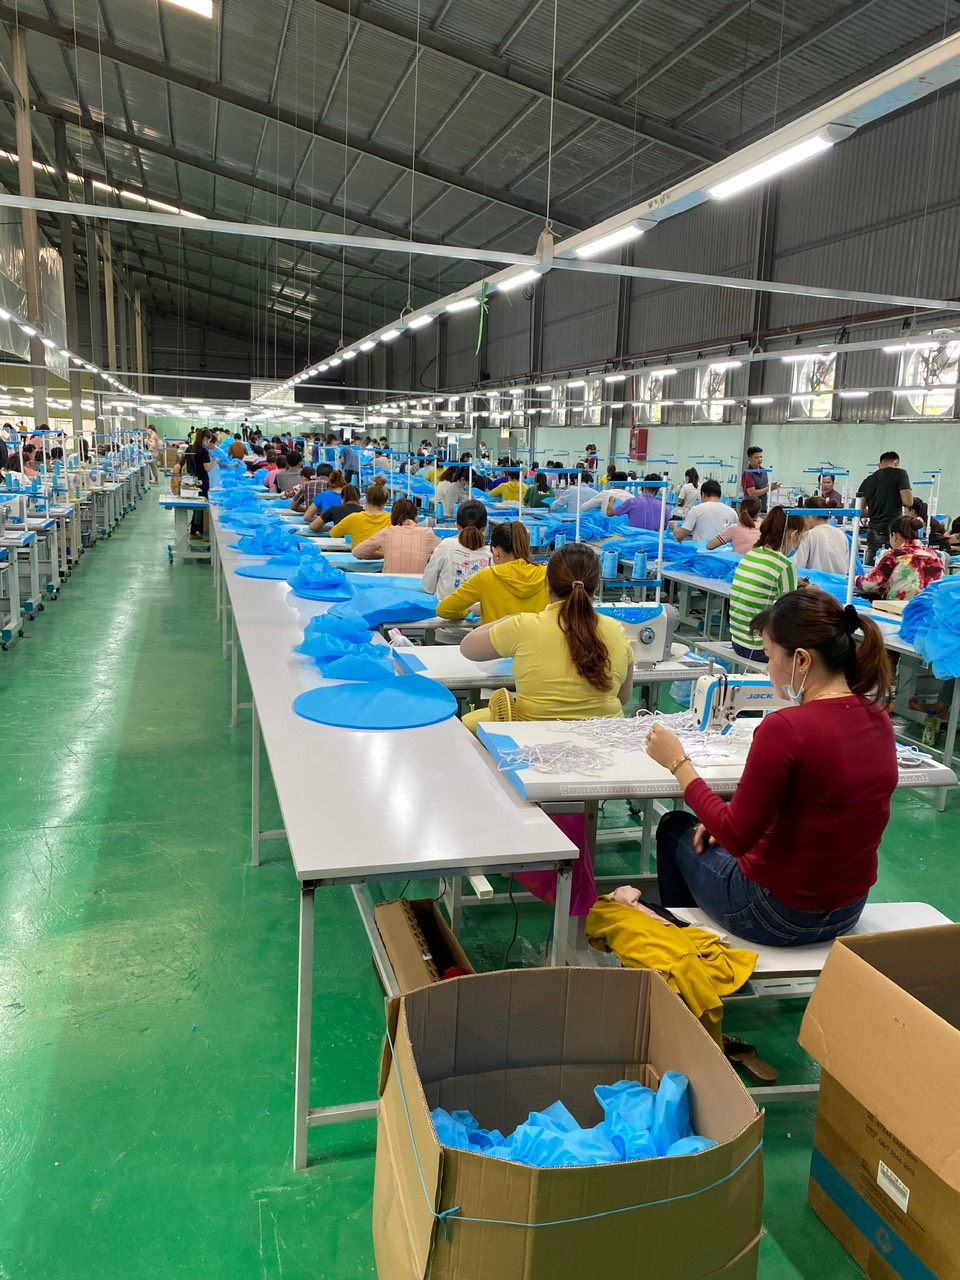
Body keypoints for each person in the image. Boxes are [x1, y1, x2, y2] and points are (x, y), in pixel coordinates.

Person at [645, 588, 896, 946]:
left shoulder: (786, 728)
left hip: (776, 916)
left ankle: (686, 948)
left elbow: (735, 837)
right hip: (847, 910)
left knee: (673, 827)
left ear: (801, 660)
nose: (767, 668)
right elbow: (815, 811)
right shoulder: (877, 718)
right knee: (714, 828)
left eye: (769, 655)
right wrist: (727, 819)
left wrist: (678, 762)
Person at [459, 542, 633, 732]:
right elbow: (623, 697)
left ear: (547, 584)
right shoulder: (616, 629)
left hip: (536, 740)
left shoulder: (524, 626)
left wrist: (510, 618)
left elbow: (468, 648)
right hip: (606, 741)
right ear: (596, 586)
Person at [728, 506, 805, 661]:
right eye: (802, 536)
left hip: (737, 642)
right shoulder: (785, 565)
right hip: (759, 649)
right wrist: (811, 594)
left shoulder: (751, 554)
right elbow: (790, 613)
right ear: (794, 534)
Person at [436, 521, 548, 625]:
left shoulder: (486, 577)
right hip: (537, 640)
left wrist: (470, 610)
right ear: (528, 548)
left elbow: (444, 610)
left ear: (495, 551)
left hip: (497, 640)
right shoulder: (547, 574)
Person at [855, 515, 943, 601]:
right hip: (931, 606)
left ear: (894, 536)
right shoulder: (935, 554)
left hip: (901, 607)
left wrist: (856, 579)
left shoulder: (895, 555)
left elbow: (870, 583)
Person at [421, 500, 493, 599]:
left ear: (457, 525)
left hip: (444, 607)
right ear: (485, 527)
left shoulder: (446, 546)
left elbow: (428, 586)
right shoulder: (492, 555)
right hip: (478, 609)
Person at [351, 497, 440, 573]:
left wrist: (384, 555)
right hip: (418, 586)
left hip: (390, 585)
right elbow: (444, 554)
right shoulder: (428, 534)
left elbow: (357, 552)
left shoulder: (387, 532)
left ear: (392, 517)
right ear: (416, 517)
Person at [857, 451, 912, 565]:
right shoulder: (900, 473)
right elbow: (908, 501)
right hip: (889, 531)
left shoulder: (868, 480)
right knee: (888, 568)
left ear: (879, 465)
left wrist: (876, 510)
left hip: (872, 531)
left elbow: (860, 511)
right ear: (897, 463)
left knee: (871, 567)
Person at [793, 496, 850, 574]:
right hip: (838, 581)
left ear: (811, 515)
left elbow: (797, 569)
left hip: (814, 581)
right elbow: (846, 568)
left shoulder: (808, 535)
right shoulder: (841, 535)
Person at [669, 479, 736, 543]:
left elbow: (679, 536)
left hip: (702, 550)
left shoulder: (696, 510)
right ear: (720, 495)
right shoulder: (732, 512)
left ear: (703, 494)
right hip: (725, 550)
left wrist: (674, 526)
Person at [329, 480, 390, 545]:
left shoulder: (353, 518)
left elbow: (333, 533)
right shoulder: (391, 519)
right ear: (385, 502)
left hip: (359, 551)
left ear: (366, 499)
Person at [182, 428, 217, 536]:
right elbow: (207, 468)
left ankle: (195, 529)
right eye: (208, 440)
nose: (208, 443)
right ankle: (200, 530)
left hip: (192, 480)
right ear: (205, 439)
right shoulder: (203, 451)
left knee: (196, 506)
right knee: (201, 507)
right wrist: (215, 461)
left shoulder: (190, 448)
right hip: (202, 481)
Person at [740, 446, 779, 513]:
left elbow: (763, 487)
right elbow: (752, 493)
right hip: (751, 510)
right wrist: (769, 488)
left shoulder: (764, 471)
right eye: (757, 457)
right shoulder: (748, 473)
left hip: (763, 507)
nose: (760, 459)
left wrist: (772, 486)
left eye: (761, 457)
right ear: (750, 458)